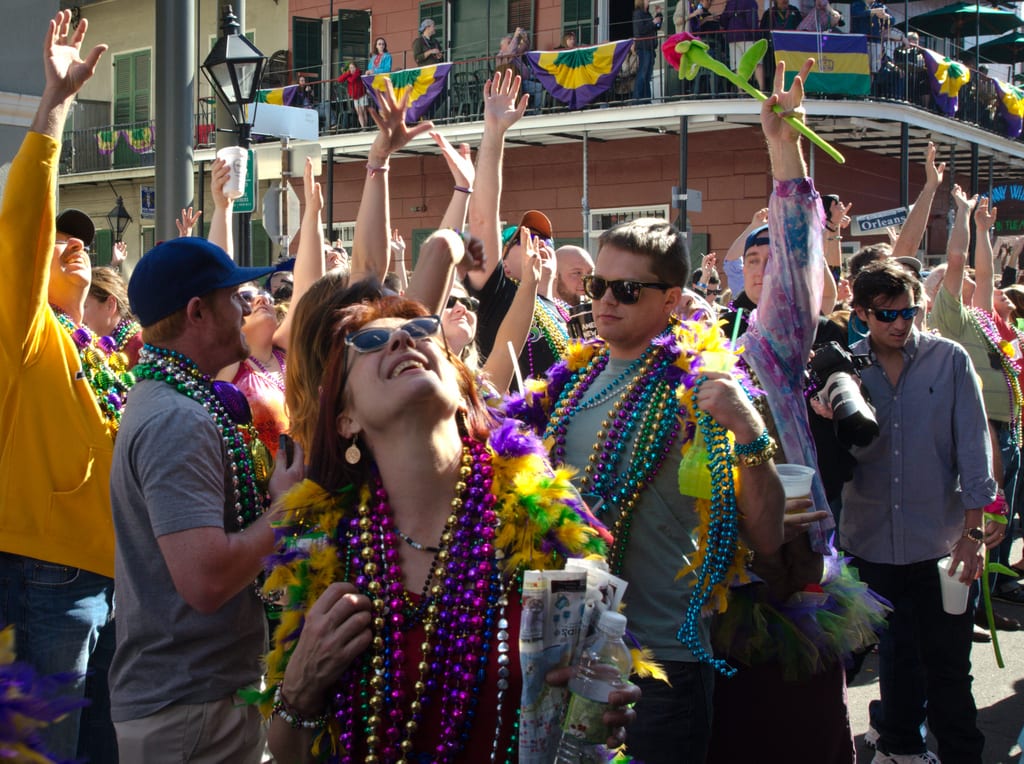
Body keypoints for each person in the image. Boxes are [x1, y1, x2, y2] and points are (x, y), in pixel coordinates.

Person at [505, 66, 809, 763]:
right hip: (564, 649)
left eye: (627, 288)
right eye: (598, 284)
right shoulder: (567, 385)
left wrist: (751, 434)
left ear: (671, 300)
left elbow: (765, 537)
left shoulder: (703, 386)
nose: (604, 298)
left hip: (660, 670)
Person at [253, 290, 639, 762]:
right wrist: (299, 690)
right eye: (372, 341)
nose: (401, 343)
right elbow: (291, 752)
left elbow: (592, 716)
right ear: (345, 419)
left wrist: (597, 708)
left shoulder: (542, 517)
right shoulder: (322, 545)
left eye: (419, 332)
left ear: (460, 386)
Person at [109, 237, 304, 761]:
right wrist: (284, 508)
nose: (248, 306)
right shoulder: (177, 417)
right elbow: (207, 579)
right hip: (189, 710)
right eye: (235, 296)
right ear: (197, 312)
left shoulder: (177, 401)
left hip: (197, 699)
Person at [0, 11, 119, 760]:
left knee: (99, 748)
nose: (75, 244)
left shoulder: (101, 349)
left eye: (85, 241)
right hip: (49, 576)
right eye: (61, 241)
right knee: (47, 753)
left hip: (108, 577)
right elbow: (21, 231)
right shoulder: (24, 330)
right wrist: (55, 108)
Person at [839, 259, 994, 764]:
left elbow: (973, 446)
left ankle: (962, 755)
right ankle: (899, 745)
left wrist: (973, 533)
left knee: (949, 667)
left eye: (910, 312)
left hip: (941, 546)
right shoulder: (843, 369)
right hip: (871, 543)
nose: (901, 324)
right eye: (887, 315)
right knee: (896, 661)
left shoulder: (948, 360)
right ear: (861, 314)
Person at [465, 70, 569, 387]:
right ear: (505, 262)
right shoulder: (500, 294)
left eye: (546, 239)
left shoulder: (567, 311)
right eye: (527, 238)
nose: (540, 244)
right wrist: (495, 132)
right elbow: (482, 219)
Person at [84, 265, 143, 367]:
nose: (78, 313)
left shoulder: (140, 347)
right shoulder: (90, 346)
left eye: (84, 306)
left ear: (110, 305)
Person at [633, 0, 664, 103]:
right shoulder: (637, 14)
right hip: (643, 48)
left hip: (650, 48)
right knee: (642, 73)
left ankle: (646, 100)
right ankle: (637, 100)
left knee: (647, 76)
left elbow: (657, 26)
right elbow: (641, 29)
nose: (649, 1)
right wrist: (653, 22)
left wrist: (659, 14)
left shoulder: (648, 14)